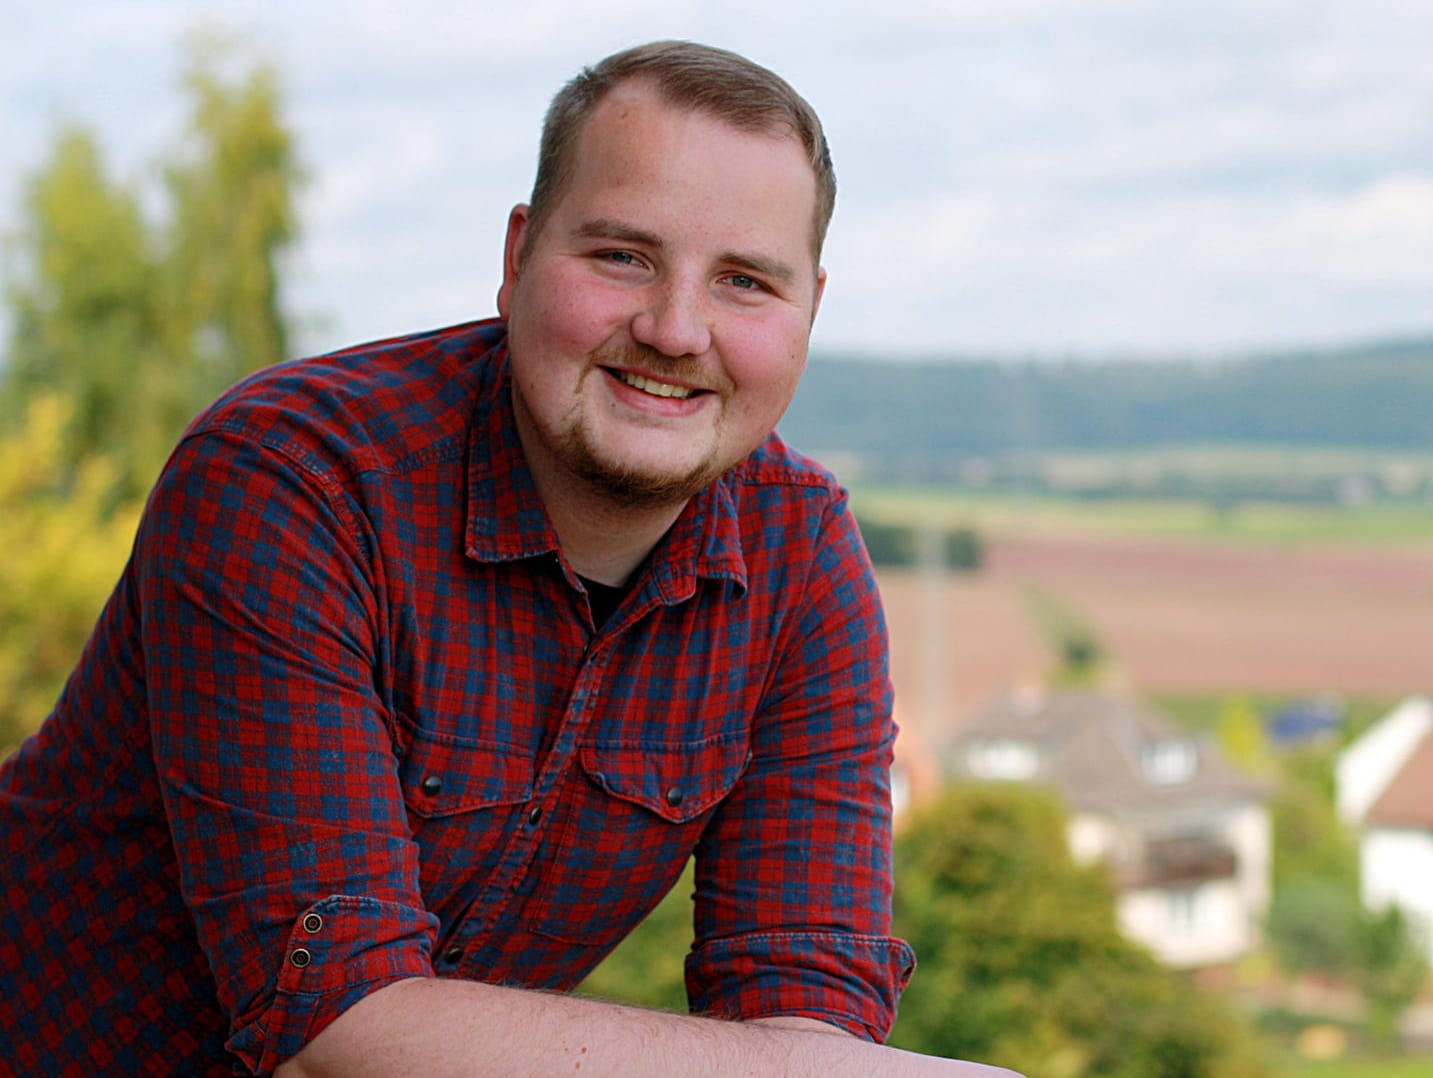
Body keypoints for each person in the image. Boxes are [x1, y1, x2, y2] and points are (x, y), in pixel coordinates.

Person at [0, 41, 1017, 1077]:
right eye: (622, 255)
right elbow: (335, 1024)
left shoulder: (800, 562)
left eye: (745, 282)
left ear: (809, 311)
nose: (674, 328)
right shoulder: (292, 480)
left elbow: (808, 1005)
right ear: (518, 255)